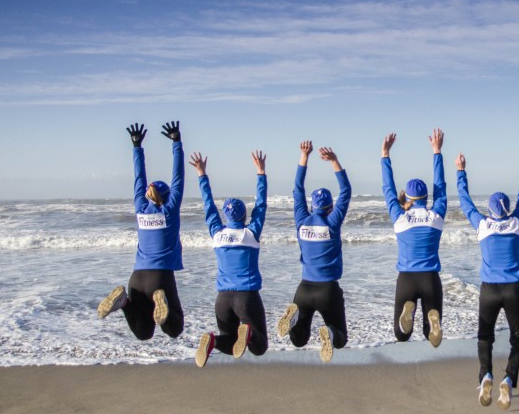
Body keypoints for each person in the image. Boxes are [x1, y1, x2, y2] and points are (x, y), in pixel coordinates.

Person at [457, 141, 519, 410]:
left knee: (484, 337)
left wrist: (461, 173)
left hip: (489, 289)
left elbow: (465, 202)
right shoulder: (516, 222)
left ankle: (486, 375)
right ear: (508, 209)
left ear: (490, 210)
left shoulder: (482, 224)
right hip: (513, 288)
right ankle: (509, 379)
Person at [97, 121, 186, 340]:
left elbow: (139, 178)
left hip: (136, 278)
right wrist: (177, 143)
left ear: (147, 194)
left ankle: (124, 302)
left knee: (143, 333)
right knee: (175, 329)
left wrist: (136, 146)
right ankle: (160, 303)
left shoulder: (140, 208)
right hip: (160, 278)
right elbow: (179, 177)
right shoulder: (169, 209)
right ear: (166, 196)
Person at [189, 150, 270, 367]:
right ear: (244, 215)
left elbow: (208, 206)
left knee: (231, 343)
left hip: (222, 300)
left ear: (226, 216)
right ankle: (249, 334)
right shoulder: (250, 233)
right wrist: (261, 173)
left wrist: (201, 175)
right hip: (247, 297)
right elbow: (261, 206)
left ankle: (213, 341)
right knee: (259, 347)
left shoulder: (217, 233)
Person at [276, 141, 352, 363]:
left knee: (298, 340)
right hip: (328, 290)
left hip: (304, 289)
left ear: (312, 205)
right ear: (330, 207)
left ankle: (294, 316)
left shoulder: (302, 220)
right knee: (341, 339)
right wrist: (334, 161)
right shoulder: (332, 222)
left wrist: (303, 156)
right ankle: (328, 333)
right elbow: (346, 190)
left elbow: (297, 189)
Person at [381, 129, 447, 347]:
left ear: (407, 198)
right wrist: (437, 152)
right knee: (432, 336)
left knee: (401, 335)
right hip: (430, 279)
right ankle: (431, 320)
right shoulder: (435, 215)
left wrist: (385, 154)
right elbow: (441, 187)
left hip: (406, 279)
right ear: (426, 198)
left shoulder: (400, 217)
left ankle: (407, 313)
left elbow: (388, 188)